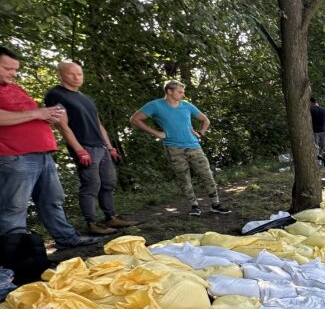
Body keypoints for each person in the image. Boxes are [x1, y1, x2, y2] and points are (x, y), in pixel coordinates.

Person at [0, 46, 101, 249]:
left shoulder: (13, 88)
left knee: (52, 199)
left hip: (42, 154)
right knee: (14, 207)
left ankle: (66, 238)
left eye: (15, 69)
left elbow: (31, 115)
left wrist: (49, 114)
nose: (14, 73)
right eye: (7, 68)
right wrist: (38, 114)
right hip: (14, 157)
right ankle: (14, 256)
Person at [44, 61, 137, 236]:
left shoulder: (85, 98)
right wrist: (79, 150)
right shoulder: (56, 95)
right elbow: (62, 126)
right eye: (71, 74)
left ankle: (111, 217)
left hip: (101, 147)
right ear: (61, 75)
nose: (76, 77)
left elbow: (98, 124)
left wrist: (110, 147)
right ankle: (92, 223)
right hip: (84, 146)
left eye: (79, 74)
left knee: (108, 182)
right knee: (91, 185)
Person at [130, 80, 231, 217]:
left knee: (207, 175)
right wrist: (156, 133)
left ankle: (216, 204)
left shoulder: (187, 106)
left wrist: (201, 133)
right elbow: (135, 119)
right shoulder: (155, 105)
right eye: (180, 91)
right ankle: (194, 206)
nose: (183, 94)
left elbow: (205, 120)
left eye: (183, 91)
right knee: (184, 178)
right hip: (173, 148)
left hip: (194, 146)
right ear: (169, 91)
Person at [309, 97, 325, 167]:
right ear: (317, 102)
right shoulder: (324, 109)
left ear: (311, 102)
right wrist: (324, 124)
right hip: (323, 130)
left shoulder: (310, 110)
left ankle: (318, 162)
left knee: (316, 147)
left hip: (315, 131)